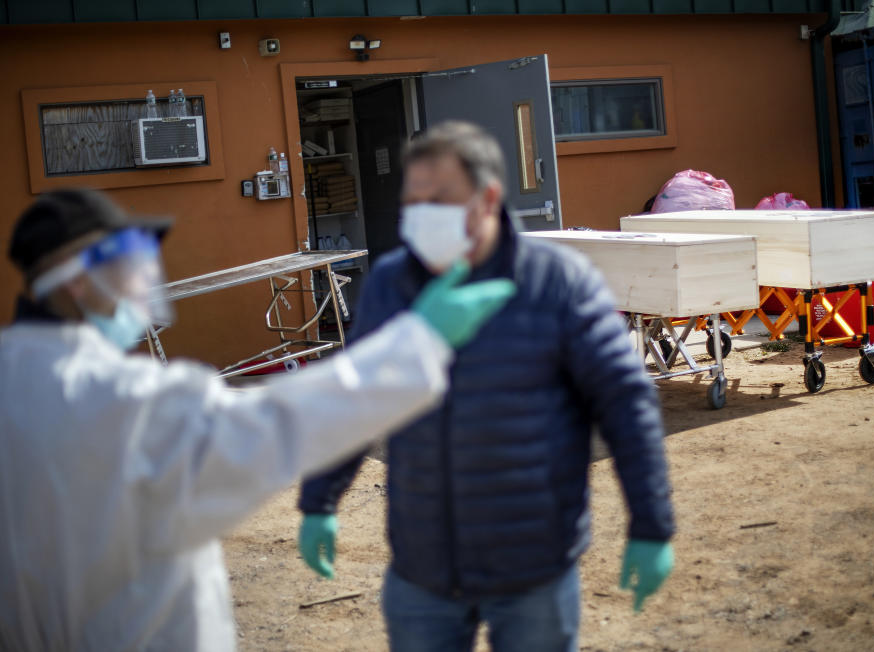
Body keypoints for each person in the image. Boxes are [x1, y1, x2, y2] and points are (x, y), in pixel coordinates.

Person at [0, 188, 515, 651]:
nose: (140, 286)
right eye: (125, 271)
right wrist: (419, 342)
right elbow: (277, 425)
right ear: (78, 283)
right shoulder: (127, 403)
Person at [298, 121, 675, 651]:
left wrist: (651, 524)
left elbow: (625, 404)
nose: (423, 215)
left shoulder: (558, 282)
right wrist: (319, 500)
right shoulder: (392, 283)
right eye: (414, 202)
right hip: (422, 569)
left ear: (488, 197)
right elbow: (359, 397)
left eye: (441, 199)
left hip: (534, 571)